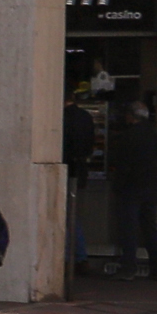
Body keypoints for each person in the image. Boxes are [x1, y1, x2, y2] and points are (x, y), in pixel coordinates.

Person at [108, 100, 157, 278]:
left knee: (129, 228)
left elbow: (122, 164)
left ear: (130, 116)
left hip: (131, 187)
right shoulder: (153, 135)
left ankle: (128, 267)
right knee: (149, 227)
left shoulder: (127, 136)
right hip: (150, 185)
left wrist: (117, 186)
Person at [61, 99, 96, 270]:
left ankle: (73, 256)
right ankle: (79, 256)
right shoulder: (85, 116)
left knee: (67, 216)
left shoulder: (63, 118)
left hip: (67, 170)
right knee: (72, 215)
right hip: (80, 170)